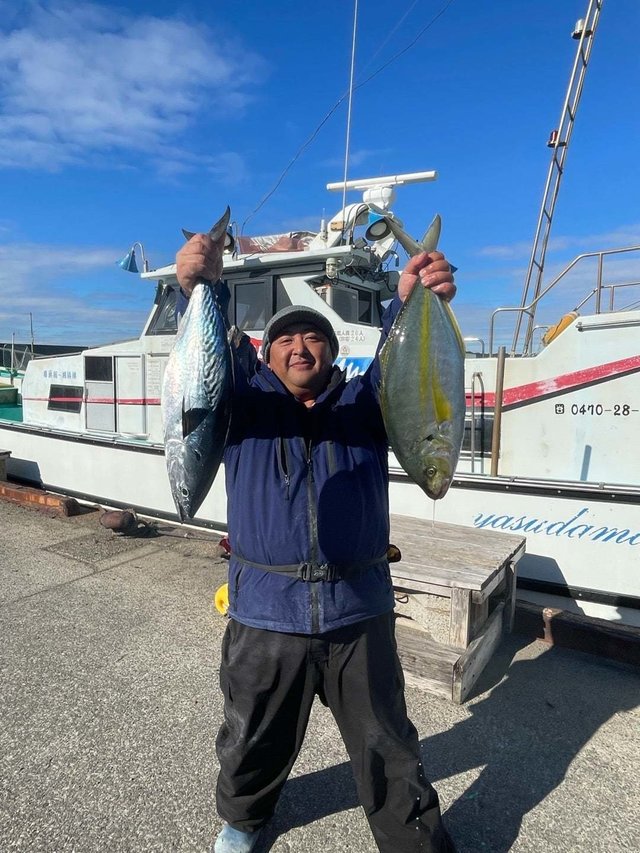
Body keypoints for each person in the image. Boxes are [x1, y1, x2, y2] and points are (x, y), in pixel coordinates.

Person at [176, 228, 457, 853]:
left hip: (358, 612)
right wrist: (196, 287)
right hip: (264, 613)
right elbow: (203, 365)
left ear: (331, 353)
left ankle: (414, 843)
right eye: (285, 339)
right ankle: (244, 822)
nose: (299, 347)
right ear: (267, 354)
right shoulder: (242, 405)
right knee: (252, 736)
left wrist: (410, 298)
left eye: (314, 338)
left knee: (388, 744)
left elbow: (403, 369)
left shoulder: (365, 405)